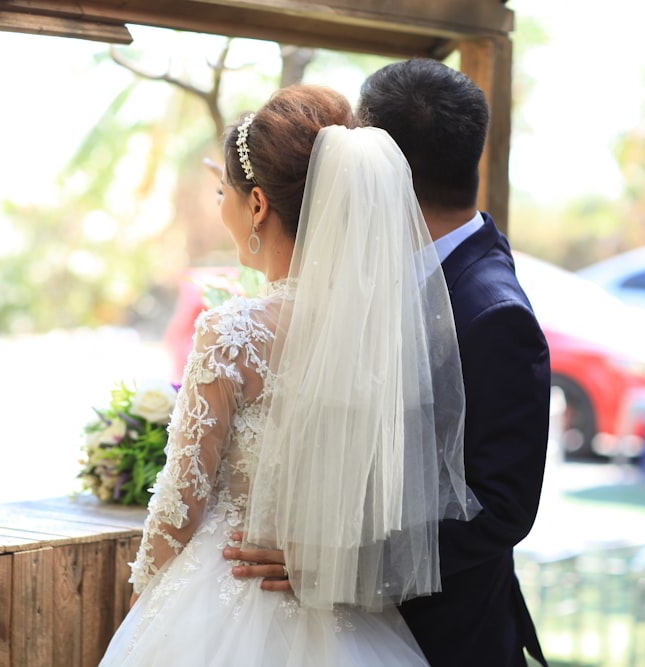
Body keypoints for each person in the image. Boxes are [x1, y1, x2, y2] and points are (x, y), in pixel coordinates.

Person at [100, 83, 479, 666]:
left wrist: (142, 602)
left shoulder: (231, 332)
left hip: (224, 598)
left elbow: (181, 505)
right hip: (345, 611)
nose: (220, 205)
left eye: (224, 191)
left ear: (256, 205)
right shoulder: (379, 335)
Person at [226, 59, 552, 667]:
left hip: (443, 638)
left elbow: (502, 508)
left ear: (389, 166)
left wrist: (338, 561)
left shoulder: (491, 312)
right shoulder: (380, 270)